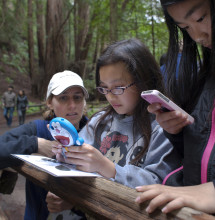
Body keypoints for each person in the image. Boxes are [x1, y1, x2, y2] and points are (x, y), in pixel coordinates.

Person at [52, 38, 181, 190]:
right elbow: (80, 159)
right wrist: (67, 156)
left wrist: (108, 168)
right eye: (104, 88)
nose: (110, 96)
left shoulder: (165, 125)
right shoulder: (99, 121)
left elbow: (159, 182)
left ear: (143, 81)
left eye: (118, 87)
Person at [135, 0, 215, 215]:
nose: (197, 36)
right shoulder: (204, 79)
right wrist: (178, 133)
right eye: (185, 28)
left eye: (200, 18)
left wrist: (209, 192)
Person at [0, 71, 88, 220]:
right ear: (49, 102)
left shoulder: (96, 134)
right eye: (63, 98)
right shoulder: (38, 130)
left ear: (84, 101)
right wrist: (34, 143)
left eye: (77, 97)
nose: (72, 105)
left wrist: (74, 203)